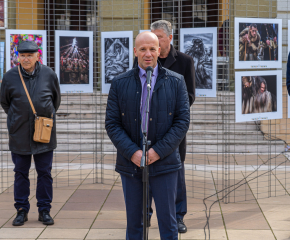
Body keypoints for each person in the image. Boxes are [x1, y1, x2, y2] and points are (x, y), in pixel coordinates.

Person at [106, 31, 190, 240]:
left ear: (159, 51)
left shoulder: (176, 81)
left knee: (168, 222)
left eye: (152, 49)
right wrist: (133, 152)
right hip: (131, 163)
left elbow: (182, 122)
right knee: (135, 223)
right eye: (142, 49)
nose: (148, 54)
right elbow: (112, 123)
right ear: (135, 52)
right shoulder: (119, 83)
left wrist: (157, 151)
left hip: (165, 162)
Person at [133, 20, 195, 233]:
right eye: (152, 36)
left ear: (168, 39)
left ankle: (178, 216)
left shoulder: (185, 61)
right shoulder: (144, 59)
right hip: (146, 128)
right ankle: (146, 214)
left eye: (158, 37)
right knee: (145, 175)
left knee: (176, 175)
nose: (153, 42)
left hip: (171, 131)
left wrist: (166, 101)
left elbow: (190, 96)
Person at [0, 41, 61, 226]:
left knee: (44, 173)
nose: (26, 59)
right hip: (19, 133)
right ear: (18, 57)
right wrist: (16, 118)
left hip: (44, 132)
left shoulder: (49, 74)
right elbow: (5, 103)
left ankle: (44, 210)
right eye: (23, 56)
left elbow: (56, 100)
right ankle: (21, 210)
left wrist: (44, 117)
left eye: (30, 55)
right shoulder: (9, 77)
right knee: (20, 173)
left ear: (37, 56)